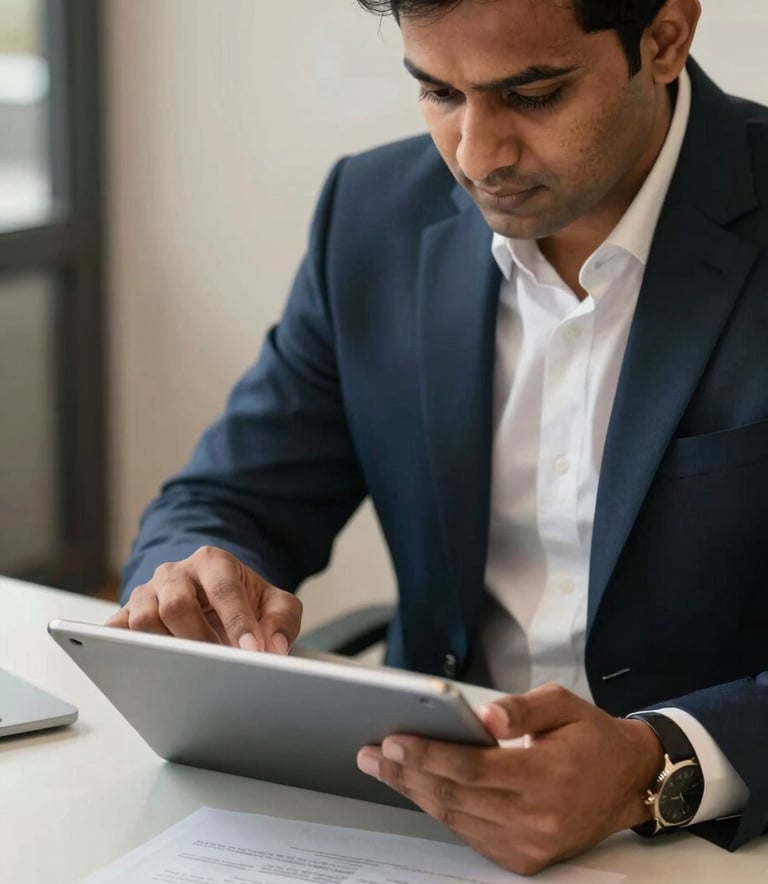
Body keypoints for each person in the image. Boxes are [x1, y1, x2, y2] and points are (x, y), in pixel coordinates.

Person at [112, 0, 768, 874]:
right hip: (414, 823)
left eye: (533, 96)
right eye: (438, 92)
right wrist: (194, 579)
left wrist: (657, 765)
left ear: (664, 37)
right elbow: (228, 496)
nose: (475, 155)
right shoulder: (371, 214)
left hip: (711, 838)